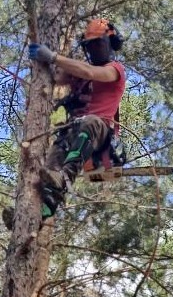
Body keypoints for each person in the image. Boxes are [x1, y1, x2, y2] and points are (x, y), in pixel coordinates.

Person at [29, 18, 127, 219]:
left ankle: (65, 176)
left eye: (98, 44)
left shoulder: (115, 69)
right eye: (90, 46)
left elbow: (89, 71)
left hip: (98, 133)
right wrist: (43, 60)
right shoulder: (80, 74)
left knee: (89, 122)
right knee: (51, 163)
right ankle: (33, 215)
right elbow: (57, 77)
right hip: (74, 132)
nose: (94, 50)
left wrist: (53, 56)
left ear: (110, 43)